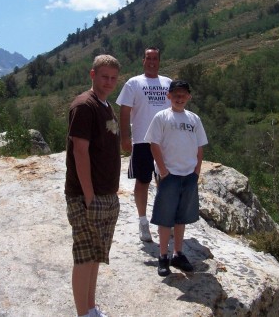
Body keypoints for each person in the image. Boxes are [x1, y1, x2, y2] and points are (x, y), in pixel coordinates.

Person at [65, 54, 121, 317]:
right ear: (92, 75)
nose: (109, 82)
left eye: (113, 77)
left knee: (96, 255)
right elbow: (79, 151)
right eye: (104, 77)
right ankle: (82, 313)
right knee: (85, 257)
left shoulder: (106, 105)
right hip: (87, 197)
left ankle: (90, 308)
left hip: (106, 195)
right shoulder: (84, 106)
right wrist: (89, 196)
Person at [144, 80, 208, 276]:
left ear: (189, 97)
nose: (179, 98)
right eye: (176, 95)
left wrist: (196, 171)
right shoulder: (161, 117)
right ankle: (163, 256)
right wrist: (163, 171)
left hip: (188, 175)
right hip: (169, 175)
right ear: (169, 96)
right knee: (165, 218)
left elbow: (199, 147)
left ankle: (178, 253)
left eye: (183, 95)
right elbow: (154, 144)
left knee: (182, 217)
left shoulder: (194, 119)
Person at [116, 47, 172, 242]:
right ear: (143, 60)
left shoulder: (168, 83)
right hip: (142, 140)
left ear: (159, 61)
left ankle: (164, 221)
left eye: (155, 58)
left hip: (165, 141)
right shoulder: (134, 83)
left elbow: (177, 109)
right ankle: (143, 222)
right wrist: (124, 137)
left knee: (164, 181)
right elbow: (124, 112)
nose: (152, 61)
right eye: (148, 58)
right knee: (142, 181)